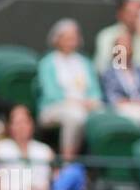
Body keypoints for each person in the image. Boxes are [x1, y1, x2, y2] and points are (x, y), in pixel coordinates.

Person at [37, 19, 102, 161]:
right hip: (54, 107)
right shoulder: (48, 63)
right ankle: (68, 162)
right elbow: (51, 94)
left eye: (74, 38)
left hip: (85, 106)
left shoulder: (85, 62)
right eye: (67, 38)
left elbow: (95, 91)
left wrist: (92, 101)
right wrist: (76, 102)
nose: (71, 41)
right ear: (57, 39)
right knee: (75, 116)